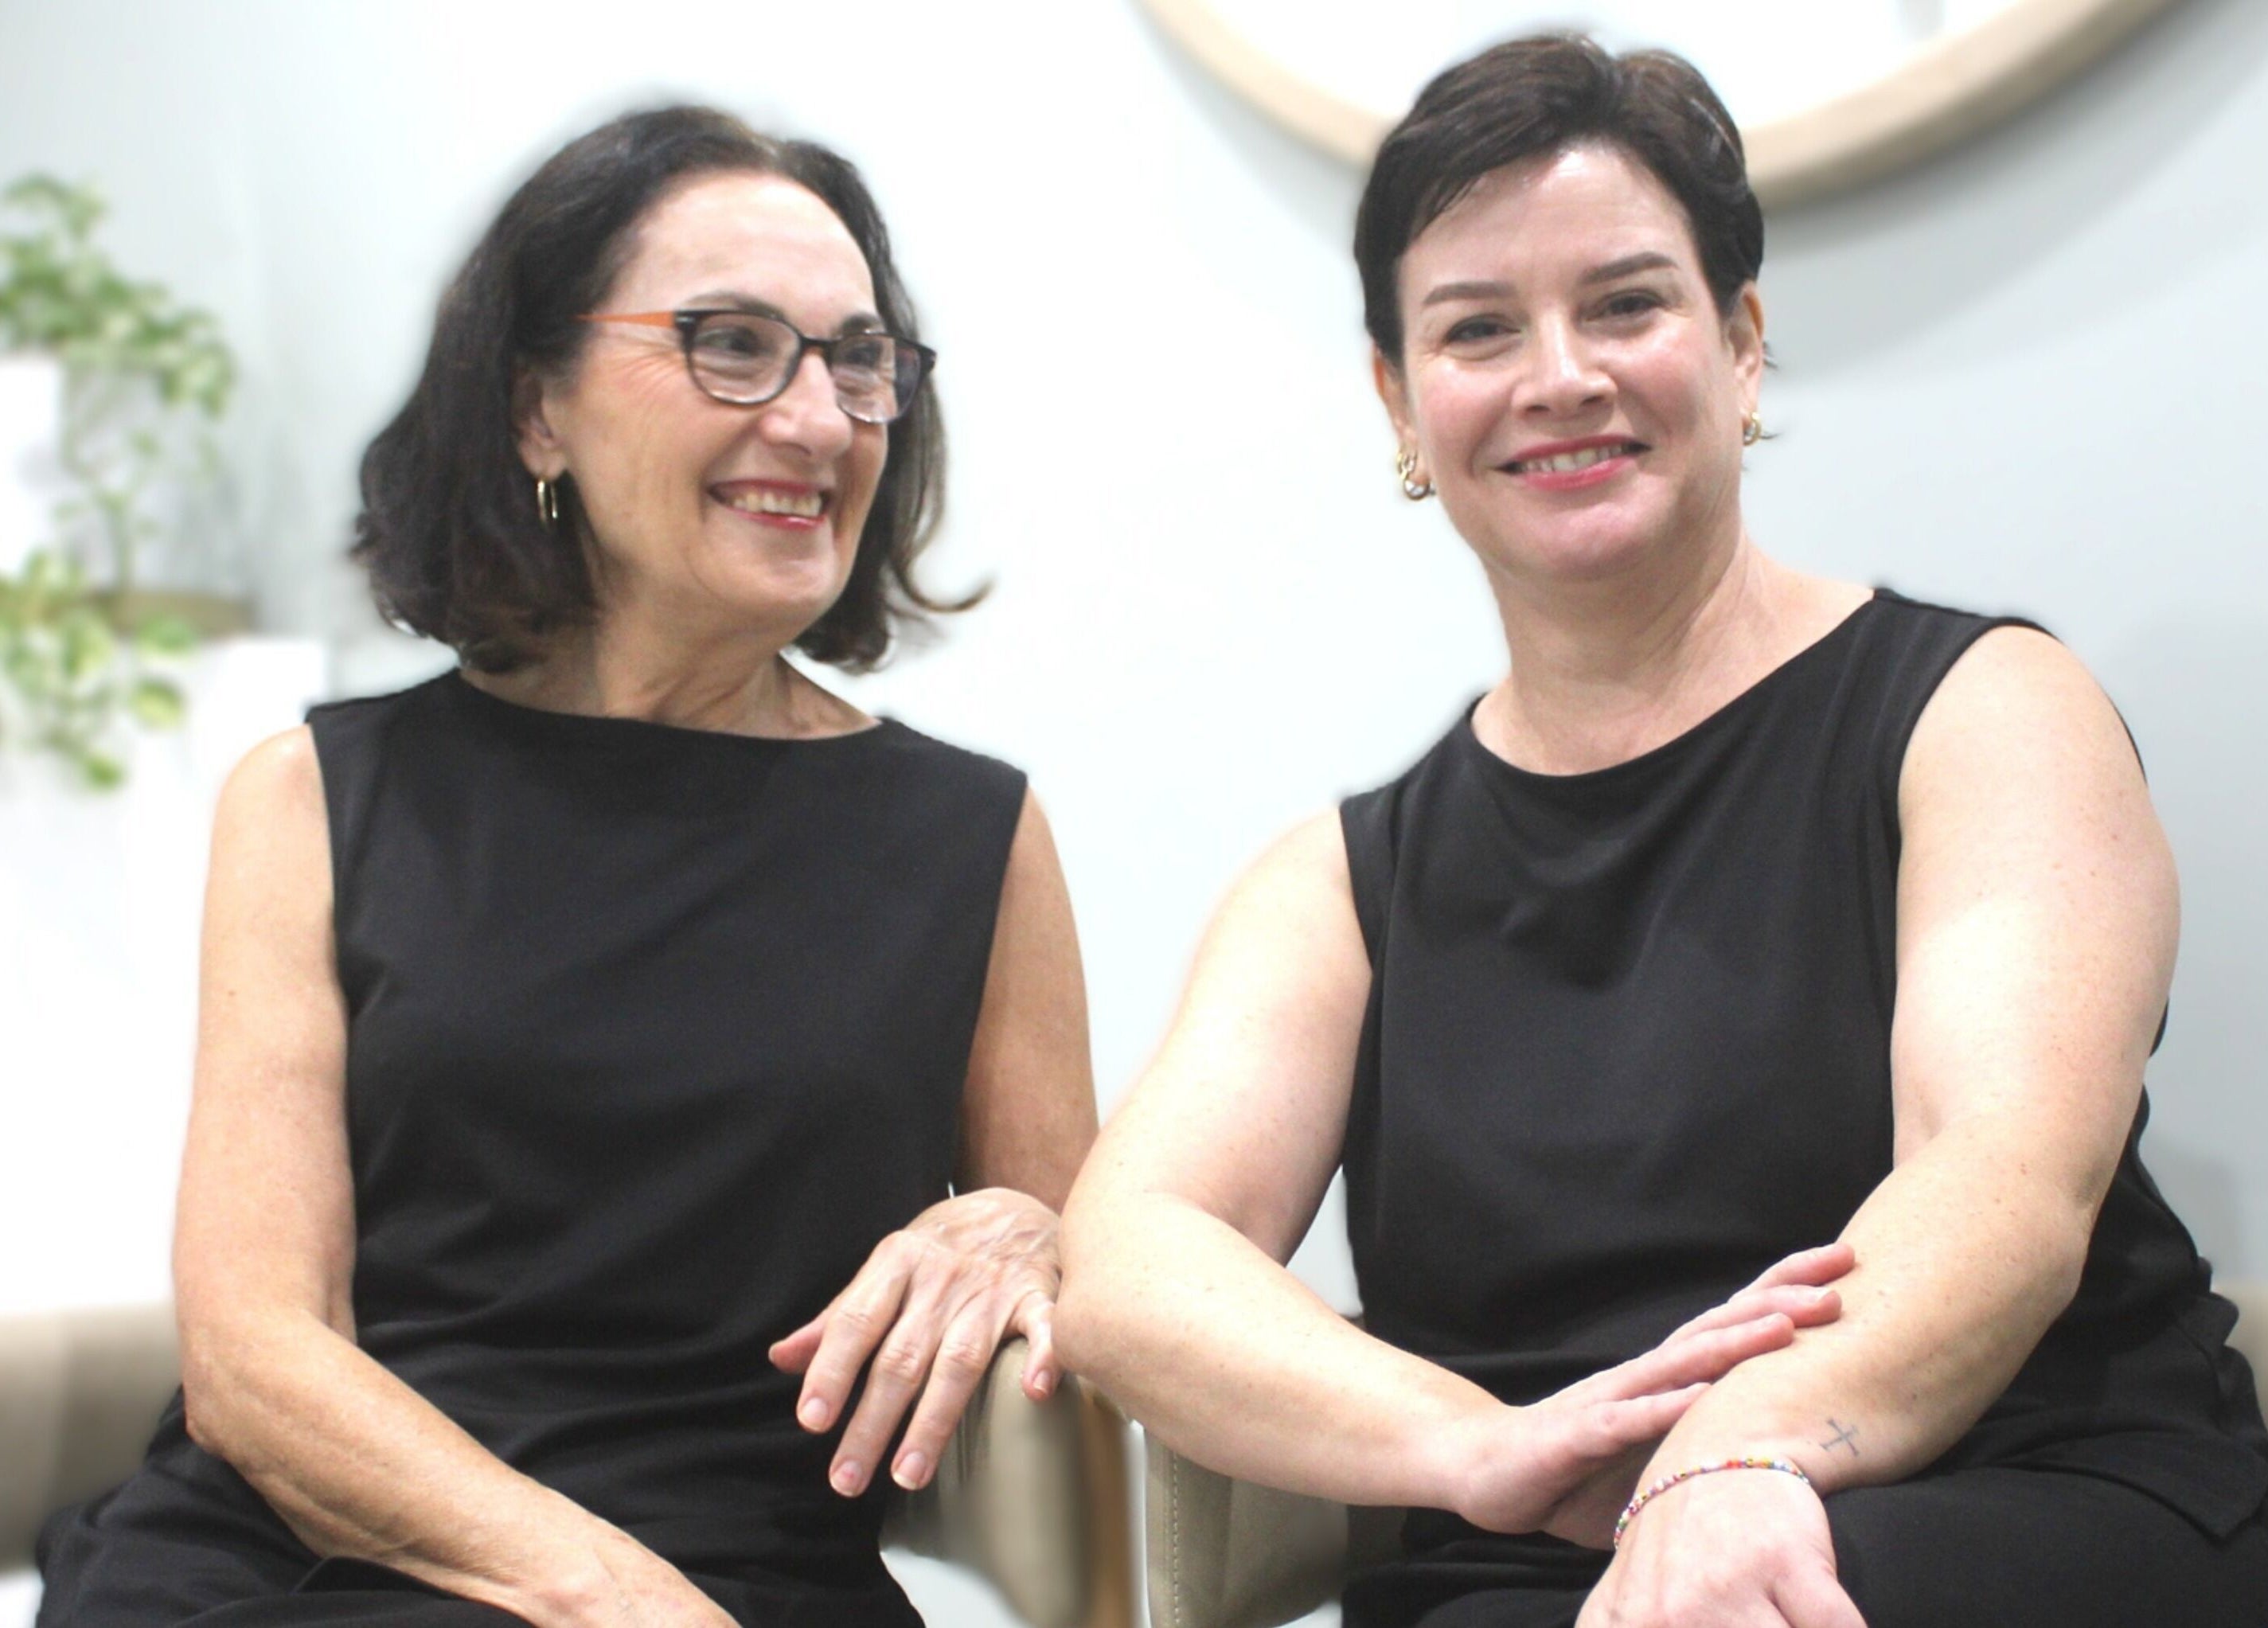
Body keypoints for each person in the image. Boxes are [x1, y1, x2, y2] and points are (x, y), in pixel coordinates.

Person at [1056, 33, 2268, 1628]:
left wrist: (1736, 1460)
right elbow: (1134, 1260)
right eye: (1478, 329)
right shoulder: (1340, 888)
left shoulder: (1981, 714)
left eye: (1625, 303)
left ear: (1742, 342)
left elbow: (2007, 1177)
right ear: (1401, 401)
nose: (1560, 373)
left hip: (2011, 1491)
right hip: (1549, 1570)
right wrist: (1475, 1444)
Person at [37, 107, 1096, 1628]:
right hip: (314, 1563)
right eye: (731, 344)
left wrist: (1028, 1226)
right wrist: (599, 1594)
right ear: (538, 407)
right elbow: (256, 1358)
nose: (815, 419)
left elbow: (1101, 1264)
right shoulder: (314, 800)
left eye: (857, 360)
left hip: (740, 1572)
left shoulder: (972, 840)